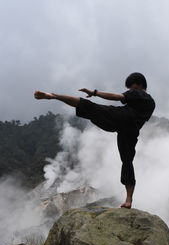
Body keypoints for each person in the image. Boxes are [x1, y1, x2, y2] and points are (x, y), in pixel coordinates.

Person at [34, 72, 155, 209]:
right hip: (130, 131)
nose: (129, 91)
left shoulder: (139, 93)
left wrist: (94, 92)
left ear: (139, 85)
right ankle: (128, 200)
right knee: (127, 162)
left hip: (121, 118)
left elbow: (117, 97)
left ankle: (53, 96)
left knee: (88, 106)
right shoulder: (151, 102)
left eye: (131, 87)